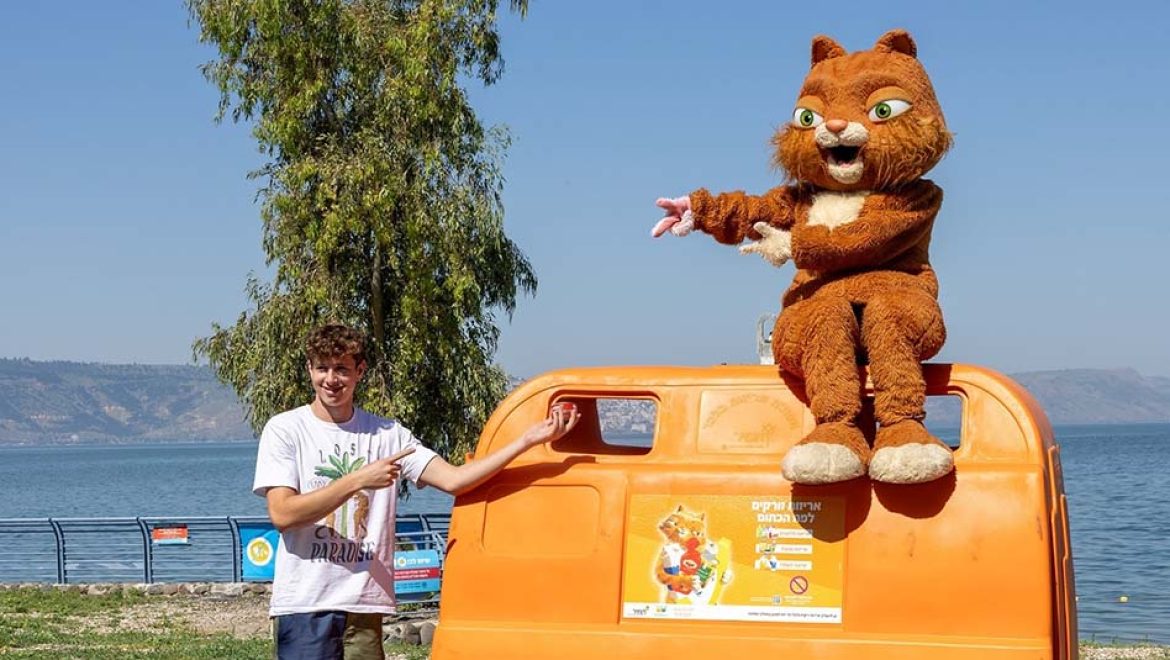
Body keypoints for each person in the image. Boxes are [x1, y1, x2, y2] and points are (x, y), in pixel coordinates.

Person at [253, 323, 579, 659]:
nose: (331, 379)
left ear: (360, 371)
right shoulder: (286, 429)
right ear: (309, 369)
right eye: (322, 368)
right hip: (305, 604)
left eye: (342, 369)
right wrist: (358, 480)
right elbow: (283, 514)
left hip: (363, 605)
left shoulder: (388, 434)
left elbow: (455, 480)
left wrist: (527, 440)